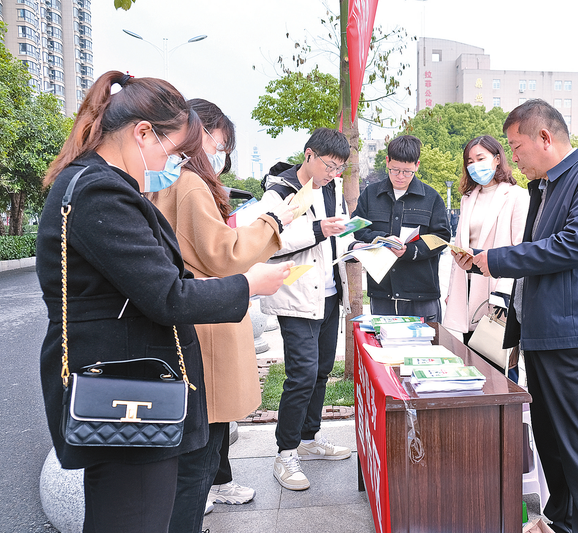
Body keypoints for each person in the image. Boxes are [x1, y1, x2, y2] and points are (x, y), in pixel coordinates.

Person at [36, 71, 293, 532]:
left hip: (128, 383)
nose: (172, 164)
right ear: (142, 133)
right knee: (136, 515)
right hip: (125, 390)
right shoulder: (100, 191)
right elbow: (168, 295)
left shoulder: (98, 185)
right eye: (172, 152)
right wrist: (248, 285)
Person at [469, 99, 578, 533]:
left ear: (544, 137)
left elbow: (576, 244)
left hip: (576, 335)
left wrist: (498, 259)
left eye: (516, 147)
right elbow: (538, 254)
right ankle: (563, 522)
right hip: (543, 332)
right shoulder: (545, 187)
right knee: (553, 445)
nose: (512, 157)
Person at [149, 99, 295, 530]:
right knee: (202, 453)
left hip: (189, 317)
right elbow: (223, 253)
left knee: (195, 449)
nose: (221, 154)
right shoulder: (191, 183)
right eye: (219, 143)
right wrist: (272, 222)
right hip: (207, 321)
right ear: (198, 133)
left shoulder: (164, 181)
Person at [260, 128, 353, 491]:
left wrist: (359, 243)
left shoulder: (332, 189)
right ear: (309, 155)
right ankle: (285, 453)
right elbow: (269, 242)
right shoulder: (280, 191)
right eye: (329, 165)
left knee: (321, 372)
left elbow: (339, 236)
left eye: (339, 168)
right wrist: (318, 229)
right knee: (301, 375)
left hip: (329, 294)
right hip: (296, 295)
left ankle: (309, 438)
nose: (333, 173)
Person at [442, 135, 528, 376]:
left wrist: (505, 294)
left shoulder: (516, 196)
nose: (474, 165)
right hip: (468, 287)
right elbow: (462, 244)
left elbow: (521, 248)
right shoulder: (468, 198)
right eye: (470, 161)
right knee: (472, 364)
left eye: (480, 158)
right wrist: (452, 291)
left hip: (498, 292)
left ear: (497, 159)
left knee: (499, 364)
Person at [350, 135, 451, 321]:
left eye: (407, 172)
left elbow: (441, 237)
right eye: (395, 170)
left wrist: (410, 250)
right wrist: (381, 239)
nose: (400, 176)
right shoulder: (370, 194)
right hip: (382, 293)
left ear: (417, 165)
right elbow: (357, 228)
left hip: (421, 294)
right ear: (387, 161)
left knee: (426, 340)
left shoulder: (431, 198)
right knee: (383, 340)